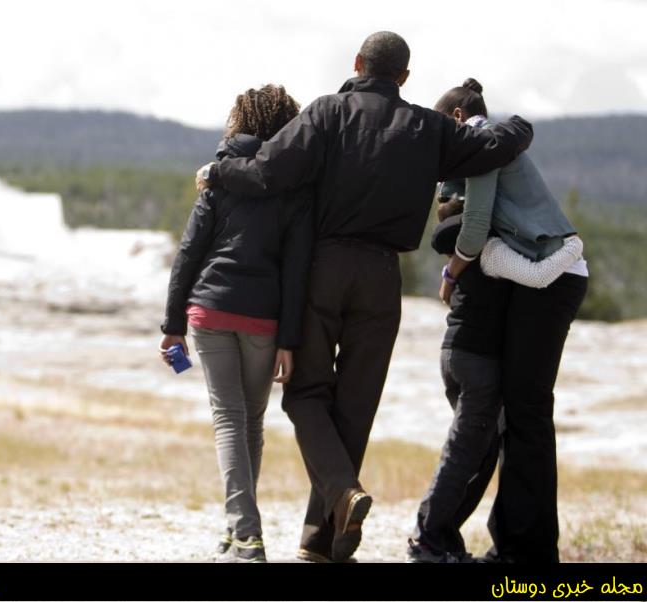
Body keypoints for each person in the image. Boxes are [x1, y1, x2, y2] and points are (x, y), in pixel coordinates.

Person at [196, 32, 535, 562]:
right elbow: (499, 144)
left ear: (357, 64)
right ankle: (321, 541)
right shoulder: (429, 127)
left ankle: (341, 496)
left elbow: (266, 172)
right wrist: (518, 123)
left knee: (306, 393)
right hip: (383, 277)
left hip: (324, 269)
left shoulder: (327, 113)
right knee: (355, 406)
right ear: (404, 77)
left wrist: (219, 171)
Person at [408, 79, 588, 563]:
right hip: (543, 278)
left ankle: (527, 551)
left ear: (459, 119)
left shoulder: (481, 146)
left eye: (442, 123)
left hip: (554, 278)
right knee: (515, 412)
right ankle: (513, 541)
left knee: (526, 412)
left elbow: (475, 225)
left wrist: (450, 272)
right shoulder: (479, 149)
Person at [160, 84, 313, 563]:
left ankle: (245, 536)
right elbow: (297, 269)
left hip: (211, 309)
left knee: (230, 419)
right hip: (264, 319)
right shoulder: (294, 185)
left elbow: (190, 252)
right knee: (249, 423)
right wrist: (289, 339)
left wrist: (172, 324)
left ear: (239, 121)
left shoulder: (219, 177)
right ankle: (237, 532)